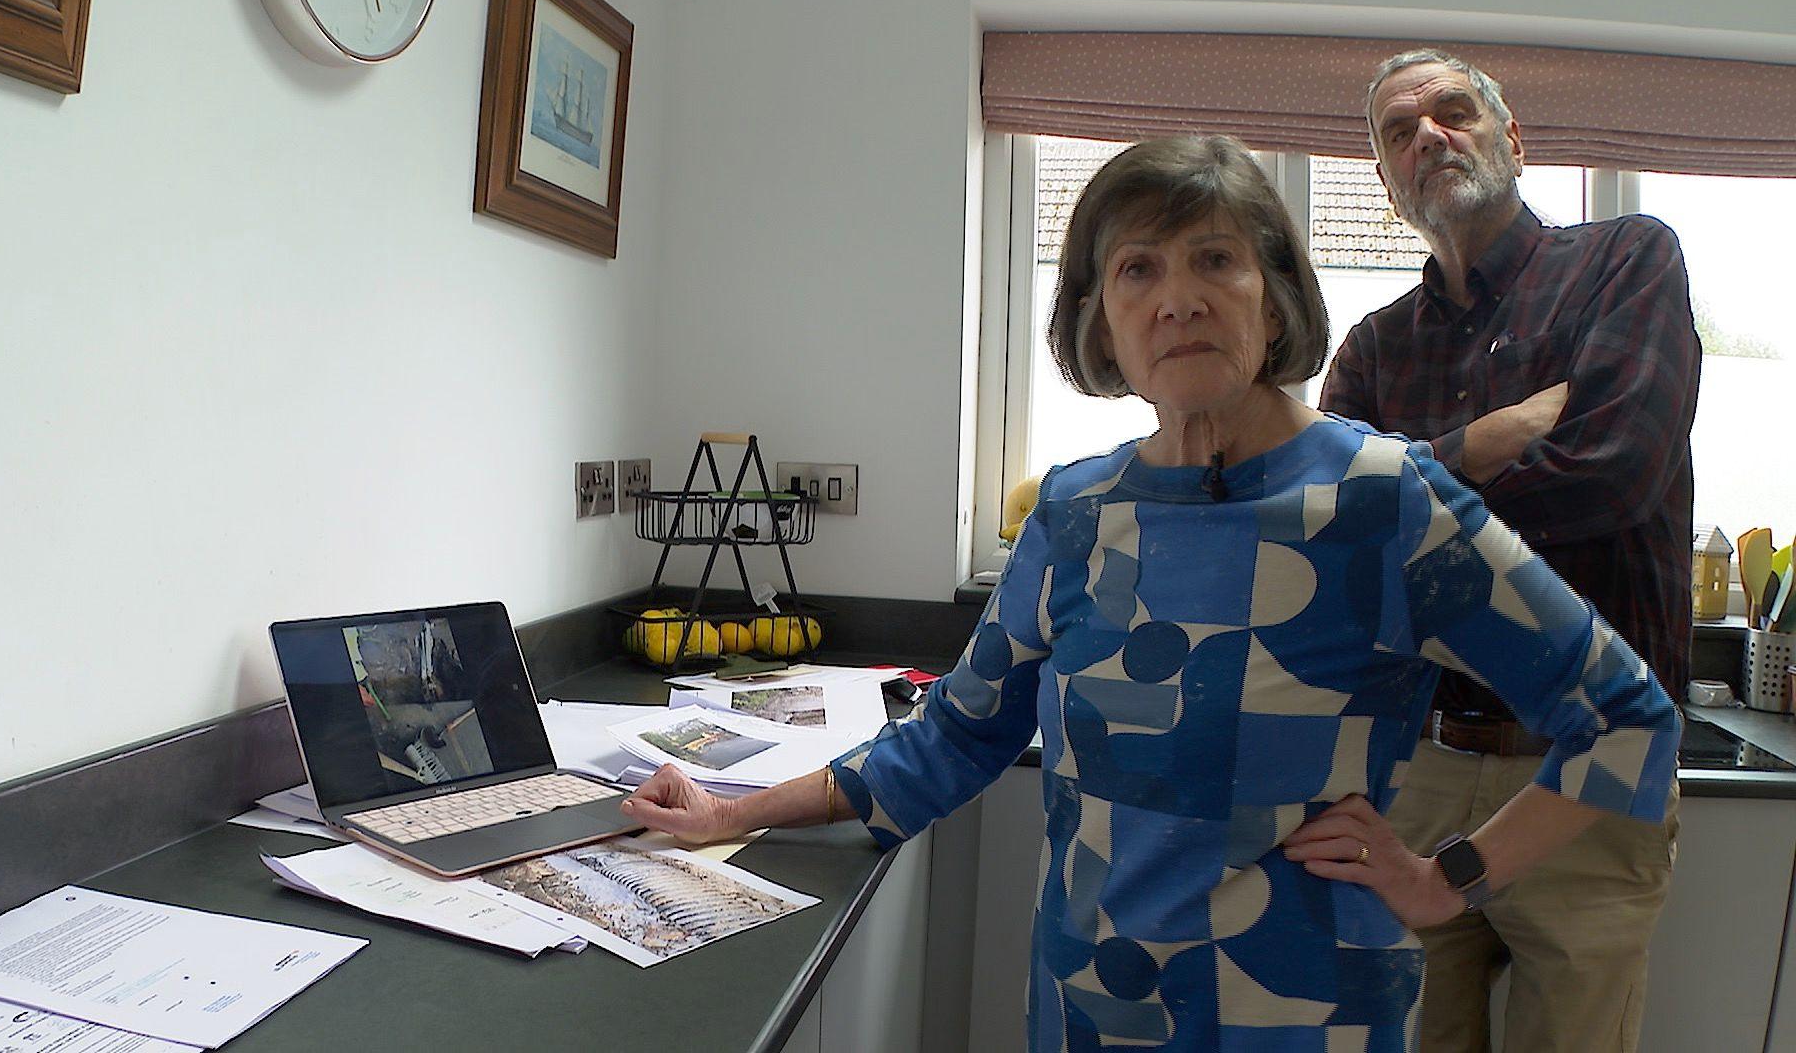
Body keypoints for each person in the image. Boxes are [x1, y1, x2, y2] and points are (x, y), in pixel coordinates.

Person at [624, 134, 1680, 1050]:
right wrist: (728, 808)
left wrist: (1448, 877)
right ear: (1102, 327)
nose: (1178, 297)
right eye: (1138, 270)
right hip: (1094, 1008)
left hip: (1305, 1020)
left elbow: (1627, 721)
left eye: (1215, 258)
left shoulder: (1385, 501)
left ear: (1274, 299)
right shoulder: (1077, 513)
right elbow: (954, 737)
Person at [1320, 49, 1698, 1052]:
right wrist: (1479, 445)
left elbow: (1611, 474)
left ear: (1513, 140)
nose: (1428, 137)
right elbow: (1332, 542)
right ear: (1388, 187)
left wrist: (1408, 483)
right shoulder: (1369, 347)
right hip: (1417, 772)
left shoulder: (1628, 260)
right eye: (1399, 133)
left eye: (1452, 113)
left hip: (1589, 774)